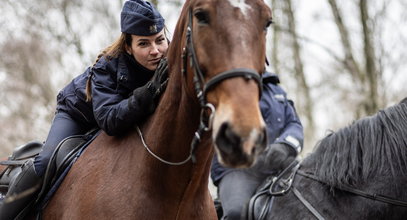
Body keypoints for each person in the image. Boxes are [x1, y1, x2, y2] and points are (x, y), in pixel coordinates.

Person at [0, 0, 168, 219]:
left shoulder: (172, 61)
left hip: (122, 117)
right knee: (47, 159)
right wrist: (146, 93)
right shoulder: (107, 66)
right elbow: (109, 119)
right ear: (128, 46)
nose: (155, 51)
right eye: (144, 44)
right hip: (79, 114)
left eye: (160, 40)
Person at [211, 71, 304, 220]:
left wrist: (285, 145)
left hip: (282, 163)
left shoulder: (276, 89)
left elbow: (294, 123)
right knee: (237, 213)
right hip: (237, 170)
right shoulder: (223, 86)